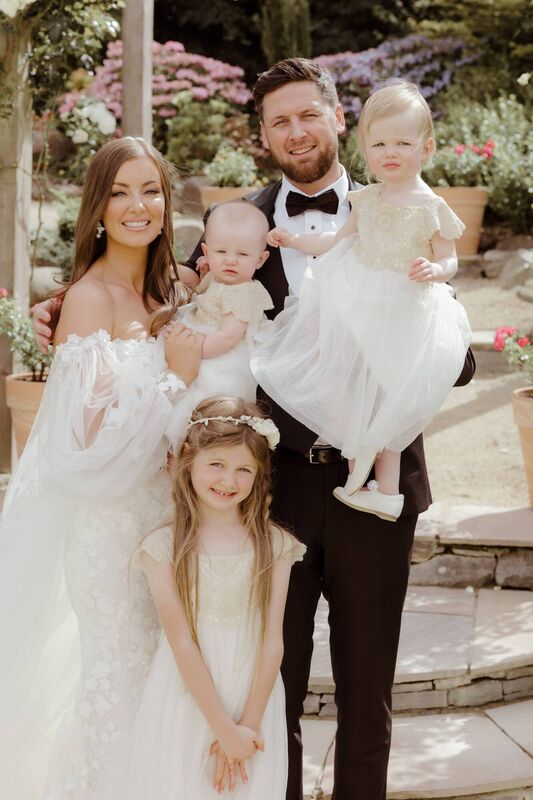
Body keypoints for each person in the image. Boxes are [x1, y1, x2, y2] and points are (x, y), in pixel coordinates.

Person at [32, 59, 476, 800]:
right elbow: (170, 303)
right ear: (262, 136)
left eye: (308, 114)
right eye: (278, 121)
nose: (295, 131)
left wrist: (421, 341)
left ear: (339, 118)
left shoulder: (397, 203)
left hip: (378, 484)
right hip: (272, 492)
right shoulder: (238, 226)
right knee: (270, 683)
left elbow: (451, 352)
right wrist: (62, 311)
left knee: (368, 688)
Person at [1, 136, 203, 800]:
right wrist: (173, 384)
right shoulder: (88, 300)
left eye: (150, 190)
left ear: (168, 202)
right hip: (108, 532)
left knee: (162, 684)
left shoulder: (176, 288)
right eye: (119, 192)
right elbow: (86, 451)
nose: (137, 205)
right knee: (116, 677)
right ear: (97, 207)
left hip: (169, 523)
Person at [252, 80, 472, 522]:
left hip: (401, 317)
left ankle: (381, 486)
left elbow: (449, 264)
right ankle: (362, 471)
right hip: (284, 485)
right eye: (379, 144)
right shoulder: (242, 220)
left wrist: (434, 276)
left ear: (426, 147)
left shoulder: (430, 206)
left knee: (383, 404)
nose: (390, 153)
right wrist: (291, 239)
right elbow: (332, 243)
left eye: (402, 142)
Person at [94, 395, 305, 799]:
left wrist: (247, 726)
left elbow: (273, 641)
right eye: (217, 465)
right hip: (186, 697)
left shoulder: (275, 545)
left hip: (254, 698)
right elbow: (181, 643)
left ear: (260, 474)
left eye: (244, 469)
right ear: (189, 462)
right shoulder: (163, 547)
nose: (229, 481)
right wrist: (224, 730)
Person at [153, 200, 274, 448]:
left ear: (260, 259)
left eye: (242, 254)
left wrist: (192, 348)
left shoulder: (243, 292)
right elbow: (202, 300)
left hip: (223, 358)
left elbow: (229, 336)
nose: (231, 261)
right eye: (221, 252)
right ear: (206, 253)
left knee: (203, 407)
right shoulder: (217, 279)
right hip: (205, 339)